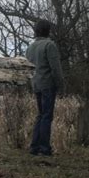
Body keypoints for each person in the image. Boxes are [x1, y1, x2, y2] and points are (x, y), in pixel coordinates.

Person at [26, 19, 64, 156]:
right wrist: (61, 84)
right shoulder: (50, 45)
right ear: (48, 30)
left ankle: (34, 147)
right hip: (48, 84)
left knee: (40, 115)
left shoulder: (30, 47)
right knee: (47, 116)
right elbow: (56, 68)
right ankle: (44, 148)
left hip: (36, 84)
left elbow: (28, 69)